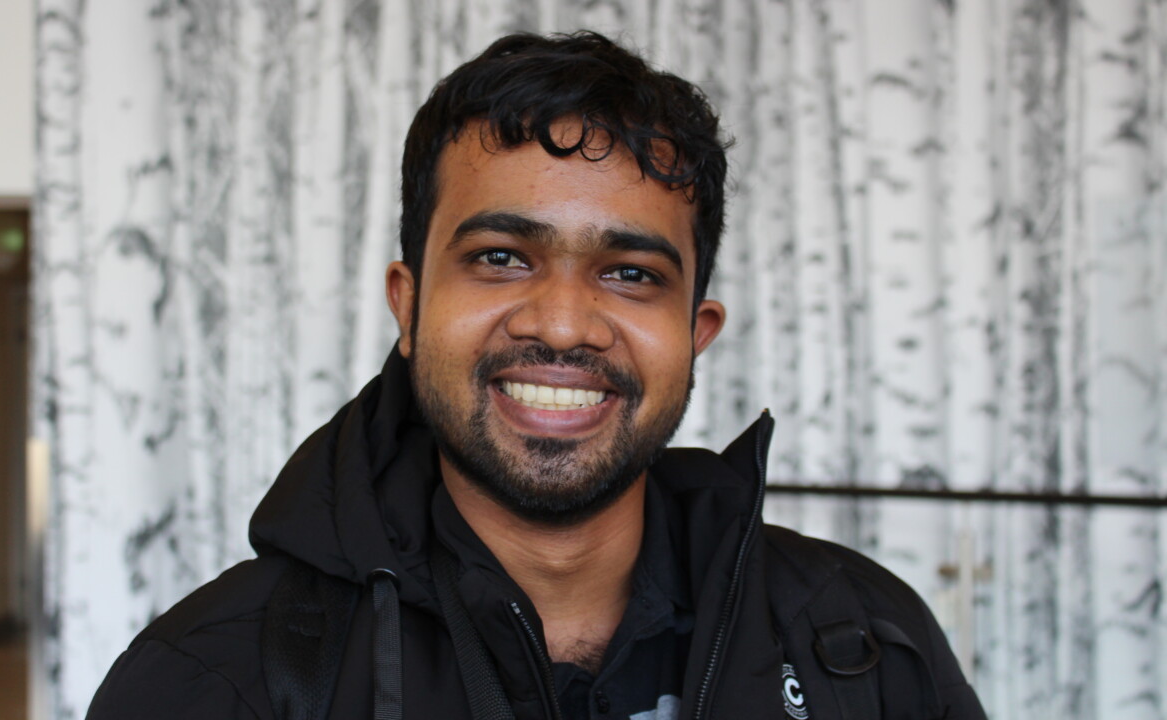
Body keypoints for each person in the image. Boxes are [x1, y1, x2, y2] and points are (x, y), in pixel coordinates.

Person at [87, 31, 985, 720]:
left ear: (696, 331)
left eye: (631, 273)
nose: (561, 323)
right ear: (407, 305)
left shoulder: (861, 644)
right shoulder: (215, 678)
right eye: (503, 257)